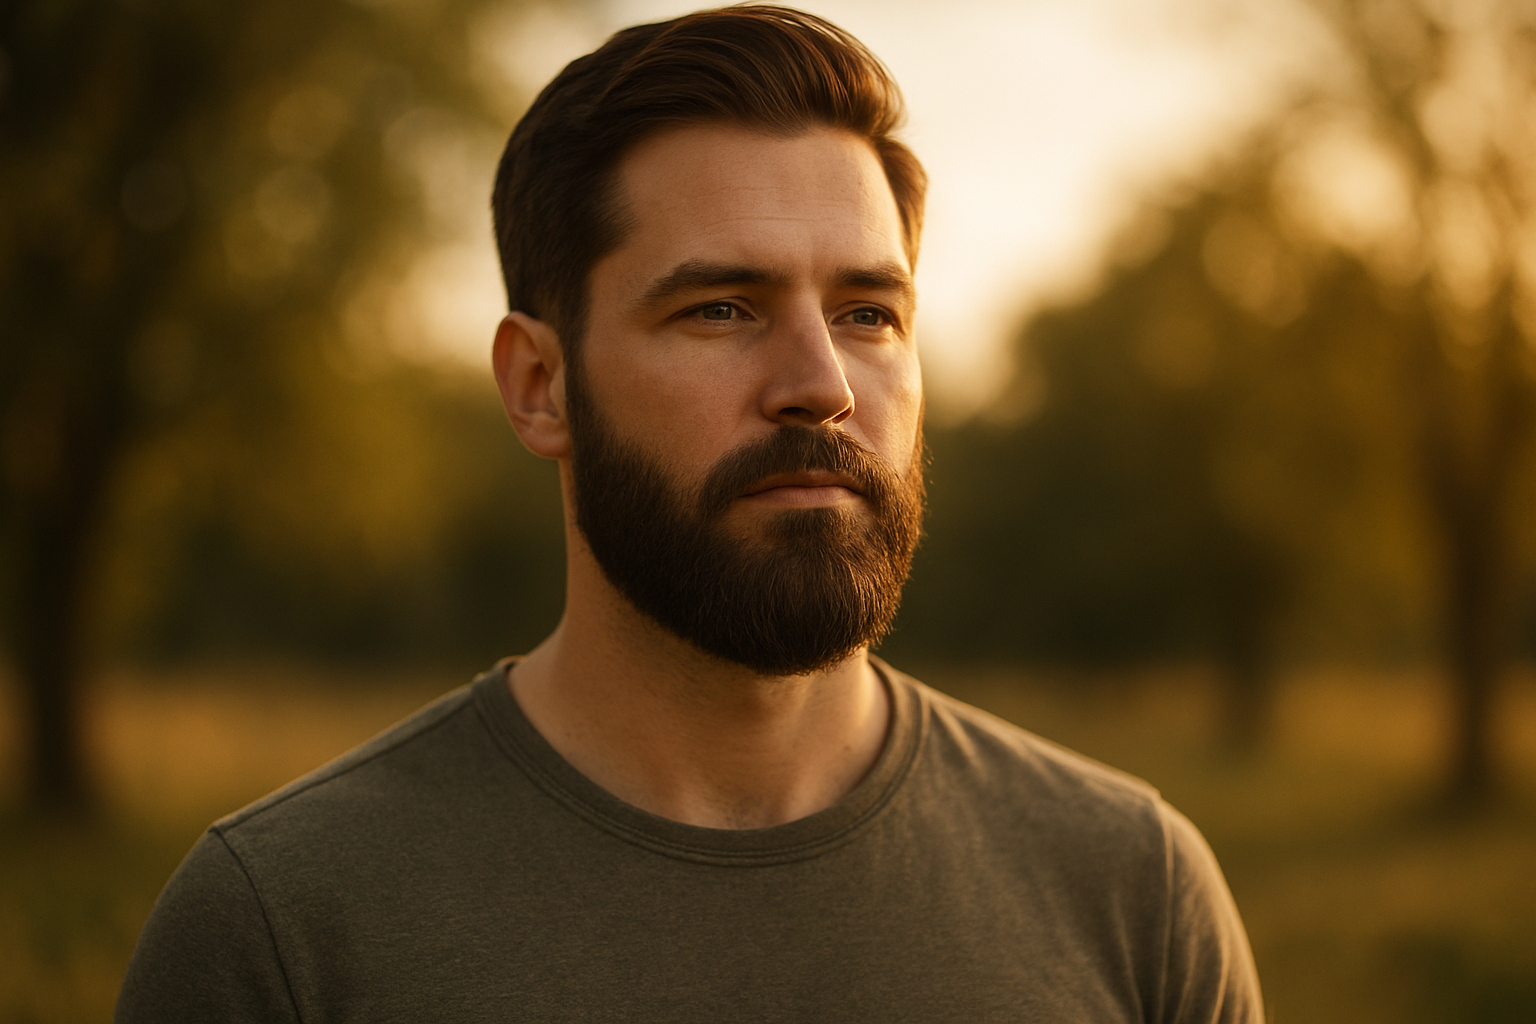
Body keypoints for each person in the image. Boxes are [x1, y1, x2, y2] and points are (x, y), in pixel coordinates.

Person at [115, 6, 1264, 1021]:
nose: (820, 383)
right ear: (540, 386)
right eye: (721, 306)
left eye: (869, 312)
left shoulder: (1137, 892)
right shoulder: (281, 933)